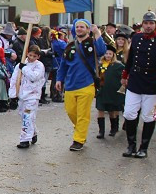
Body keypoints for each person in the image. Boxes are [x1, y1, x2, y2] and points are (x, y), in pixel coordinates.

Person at [120, 12, 156, 158]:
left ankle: (144, 148)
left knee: (148, 116)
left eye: (151, 23)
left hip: (151, 82)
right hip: (135, 80)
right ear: (142, 24)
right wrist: (125, 76)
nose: (148, 26)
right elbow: (130, 60)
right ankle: (131, 146)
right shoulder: (136, 37)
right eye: (146, 23)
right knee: (129, 113)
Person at [55, 19, 105, 151]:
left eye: (82, 27)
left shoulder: (93, 44)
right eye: (77, 27)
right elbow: (63, 65)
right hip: (70, 85)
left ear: (88, 29)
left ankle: (78, 140)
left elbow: (101, 51)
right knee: (71, 112)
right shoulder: (70, 46)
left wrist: (97, 33)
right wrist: (59, 79)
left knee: (83, 114)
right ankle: (81, 131)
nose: (79, 29)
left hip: (87, 85)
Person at [10, 45, 45, 148]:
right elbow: (14, 80)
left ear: (38, 56)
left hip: (33, 96)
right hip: (22, 95)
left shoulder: (39, 66)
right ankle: (33, 132)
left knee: (27, 116)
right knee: (23, 116)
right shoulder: (20, 65)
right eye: (30, 55)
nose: (32, 58)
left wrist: (24, 68)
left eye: (34, 56)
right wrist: (13, 95)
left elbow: (34, 77)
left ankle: (24, 139)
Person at [95, 45, 125, 139]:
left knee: (112, 111)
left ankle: (114, 128)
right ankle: (101, 131)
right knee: (100, 109)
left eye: (110, 54)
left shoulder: (118, 66)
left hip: (112, 91)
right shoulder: (100, 65)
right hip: (101, 91)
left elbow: (124, 77)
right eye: (106, 53)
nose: (108, 55)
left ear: (113, 55)